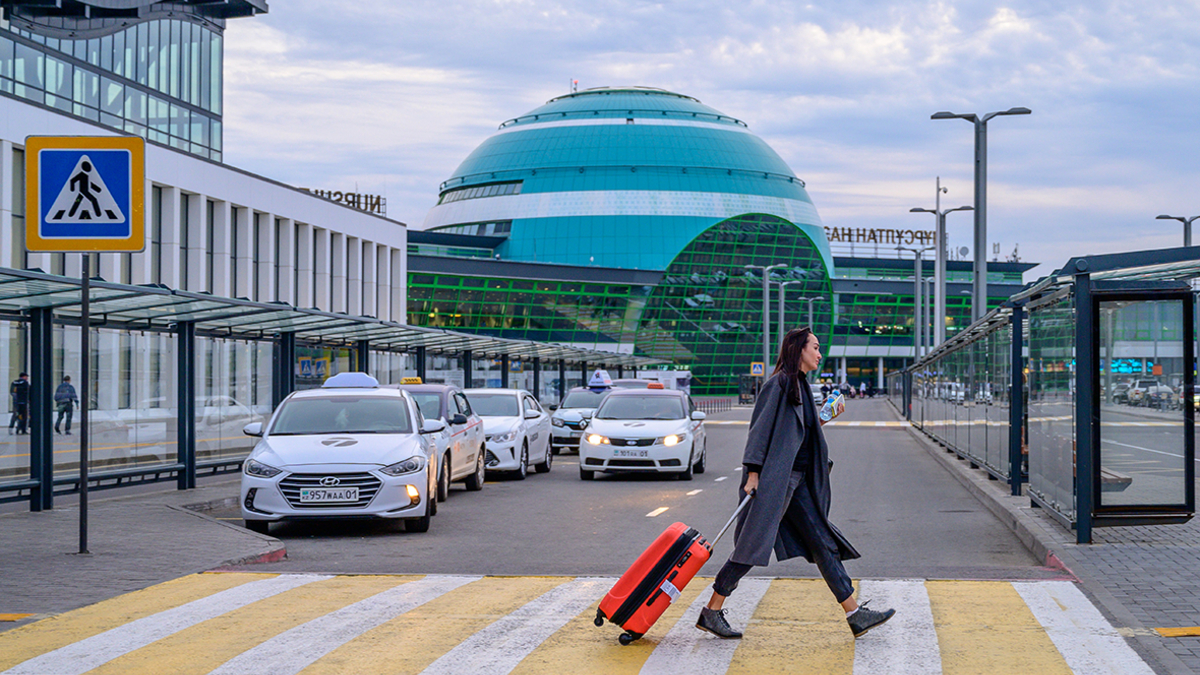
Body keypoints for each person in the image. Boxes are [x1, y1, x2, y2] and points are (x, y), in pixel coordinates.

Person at [695, 327, 895, 639]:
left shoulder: (799, 385)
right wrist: (753, 473)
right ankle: (712, 610)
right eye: (815, 347)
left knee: (822, 542)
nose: (819, 353)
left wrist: (825, 417)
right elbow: (759, 431)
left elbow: (799, 432)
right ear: (798, 349)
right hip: (776, 481)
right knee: (752, 545)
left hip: (797, 482)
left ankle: (854, 613)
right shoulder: (779, 384)